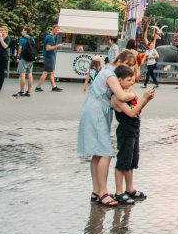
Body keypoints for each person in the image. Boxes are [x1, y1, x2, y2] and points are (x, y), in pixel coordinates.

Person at [77, 50, 138, 208]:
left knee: (97, 153)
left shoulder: (106, 71)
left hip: (93, 110)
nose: (130, 69)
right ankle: (103, 192)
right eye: (129, 65)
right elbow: (122, 96)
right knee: (105, 152)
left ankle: (96, 190)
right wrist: (135, 95)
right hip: (97, 112)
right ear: (121, 60)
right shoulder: (111, 75)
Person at [110, 64, 155, 205]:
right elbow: (130, 112)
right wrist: (143, 98)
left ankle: (129, 189)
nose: (131, 83)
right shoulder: (117, 98)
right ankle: (119, 192)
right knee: (123, 161)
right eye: (128, 80)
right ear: (119, 80)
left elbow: (137, 110)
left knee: (131, 161)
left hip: (134, 130)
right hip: (125, 131)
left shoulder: (126, 95)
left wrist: (145, 100)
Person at [35, 25, 63, 92]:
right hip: (49, 57)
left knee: (51, 73)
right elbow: (48, 48)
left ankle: (54, 87)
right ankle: (38, 87)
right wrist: (57, 46)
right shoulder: (50, 38)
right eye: (56, 30)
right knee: (46, 72)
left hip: (49, 57)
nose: (57, 32)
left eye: (58, 30)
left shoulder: (50, 36)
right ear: (52, 29)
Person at [14, 27, 36, 98]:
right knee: (30, 74)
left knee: (22, 74)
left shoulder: (22, 39)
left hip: (24, 58)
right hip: (31, 59)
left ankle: (22, 91)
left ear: (25, 32)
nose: (21, 32)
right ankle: (29, 92)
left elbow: (20, 48)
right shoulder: (32, 39)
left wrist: (18, 56)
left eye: (22, 30)